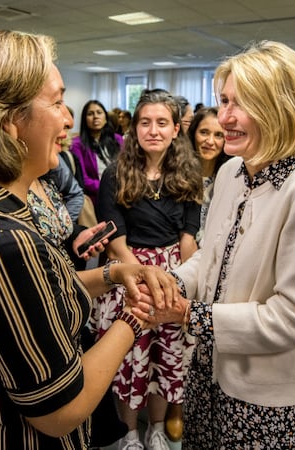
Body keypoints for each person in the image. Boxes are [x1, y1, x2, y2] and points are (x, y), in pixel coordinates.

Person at [0, 27, 178, 449]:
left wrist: (115, 274)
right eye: (58, 102)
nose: (68, 118)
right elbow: (62, 410)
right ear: (9, 122)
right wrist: (135, 318)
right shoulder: (3, 240)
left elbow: (38, 294)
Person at [131, 40, 295, 448]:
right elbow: (210, 257)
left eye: (241, 104)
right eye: (223, 100)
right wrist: (171, 284)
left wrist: (189, 316)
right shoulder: (233, 171)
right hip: (206, 372)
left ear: (282, 108)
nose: (225, 117)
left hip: (263, 396)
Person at [92, 89, 203, 450]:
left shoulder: (189, 174)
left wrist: (181, 284)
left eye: (162, 123)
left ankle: (156, 426)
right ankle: (129, 432)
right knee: (130, 360)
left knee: (164, 360)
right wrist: (142, 281)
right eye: (145, 122)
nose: (153, 130)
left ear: (175, 130)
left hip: (173, 273)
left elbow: (188, 238)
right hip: (128, 273)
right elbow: (115, 240)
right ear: (134, 129)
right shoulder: (115, 173)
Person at [187, 106, 230, 244]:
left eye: (218, 135)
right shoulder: (178, 177)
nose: (210, 141)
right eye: (204, 132)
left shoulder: (231, 178)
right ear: (193, 134)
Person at [70, 100, 124, 208]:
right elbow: (84, 180)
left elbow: (127, 167)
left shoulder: (117, 139)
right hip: (97, 198)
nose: (95, 117)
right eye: (90, 114)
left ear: (105, 117)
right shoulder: (77, 144)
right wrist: (109, 187)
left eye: (99, 112)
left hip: (122, 194)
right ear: (85, 119)